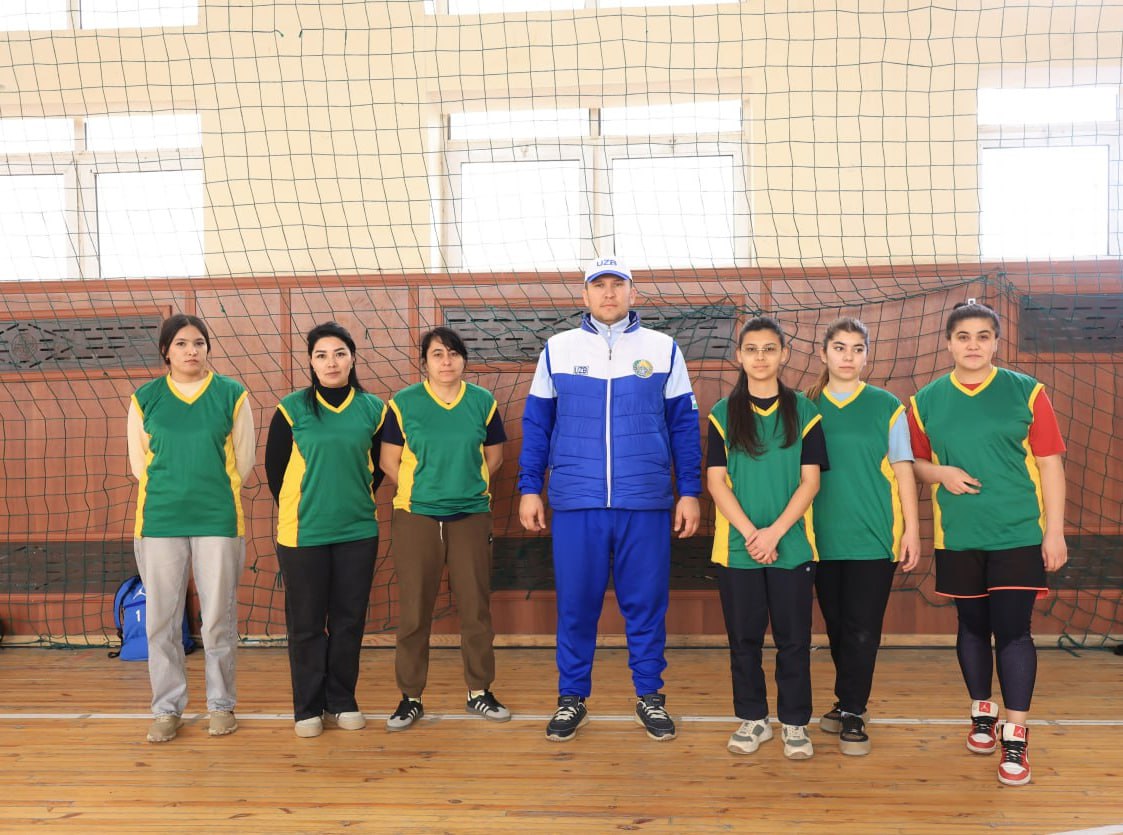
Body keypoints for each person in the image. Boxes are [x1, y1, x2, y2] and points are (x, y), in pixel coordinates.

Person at [518, 256, 702, 743]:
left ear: (632, 293)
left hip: (645, 502)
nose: (608, 293)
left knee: (646, 605)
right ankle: (571, 698)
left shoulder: (663, 349)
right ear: (585, 296)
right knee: (576, 607)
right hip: (576, 503)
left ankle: (650, 696)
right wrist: (529, 488)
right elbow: (537, 425)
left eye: (617, 284)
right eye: (598, 285)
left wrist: (689, 492)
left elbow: (685, 428)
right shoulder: (558, 349)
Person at [908, 300, 1067, 786]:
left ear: (996, 342)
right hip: (959, 535)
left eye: (982, 336)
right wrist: (942, 473)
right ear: (949, 343)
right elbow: (913, 464)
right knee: (973, 627)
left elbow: (1049, 464)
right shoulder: (925, 400)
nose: (973, 345)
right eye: (963, 337)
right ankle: (982, 713)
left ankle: (1015, 736)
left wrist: (1054, 531)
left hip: (1018, 532)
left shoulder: (1027, 392)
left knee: (1014, 631)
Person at [127, 313, 255, 743]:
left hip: (217, 518)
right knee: (161, 620)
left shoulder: (232, 394)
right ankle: (167, 709)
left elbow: (244, 461)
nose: (191, 351)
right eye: (181, 344)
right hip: (160, 521)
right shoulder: (145, 399)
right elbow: (140, 464)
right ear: (166, 351)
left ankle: (221, 705)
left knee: (218, 616)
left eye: (198, 342)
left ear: (207, 348)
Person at [706, 316, 828, 760]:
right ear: (739, 356)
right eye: (752, 349)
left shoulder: (805, 412)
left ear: (783, 355)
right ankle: (753, 718)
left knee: (794, 640)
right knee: (744, 640)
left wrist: (774, 532)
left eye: (769, 349)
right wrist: (751, 534)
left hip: (791, 546)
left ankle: (795, 723)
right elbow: (717, 483)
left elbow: (810, 482)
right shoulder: (722, 414)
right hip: (737, 548)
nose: (760, 357)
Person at [380, 327, 510, 730]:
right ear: (424, 362)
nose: (447, 361)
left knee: (476, 609)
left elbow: (494, 457)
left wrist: (464, 486)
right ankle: (410, 696)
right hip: (417, 516)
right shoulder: (403, 403)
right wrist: (426, 490)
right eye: (437, 354)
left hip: (470, 515)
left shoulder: (483, 402)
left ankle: (479, 691)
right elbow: (388, 461)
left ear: (464, 360)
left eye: (454, 353)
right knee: (414, 610)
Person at [265, 321, 386, 738]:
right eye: (321, 355)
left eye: (339, 353)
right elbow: (275, 472)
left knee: (349, 620)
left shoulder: (375, 409)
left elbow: (377, 470)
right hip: (303, 534)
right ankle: (307, 707)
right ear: (311, 362)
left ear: (352, 358)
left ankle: (342, 700)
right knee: (307, 624)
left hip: (357, 530)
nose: (331, 362)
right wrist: (309, 506)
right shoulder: (291, 409)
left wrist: (349, 498)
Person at [806, 317, 920, 756]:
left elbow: (904, 471)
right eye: (839, 347)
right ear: (823, 354)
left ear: (866, 356)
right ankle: (845, 699)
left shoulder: (886, 406)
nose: (848, 357)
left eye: (857, 349)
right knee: (837, 627)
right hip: (819, 537)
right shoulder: (804, 405)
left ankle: (854, 710)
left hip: (873, 537)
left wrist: (912, 531)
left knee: (862, 629)